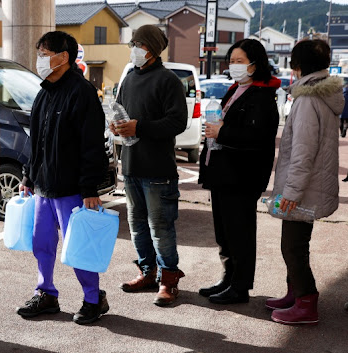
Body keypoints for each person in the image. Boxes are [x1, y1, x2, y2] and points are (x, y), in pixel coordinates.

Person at [16, 30, 109, 325]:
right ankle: (46, 294)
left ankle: (93, 299)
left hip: (72, 189)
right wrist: (28, 177)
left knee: (78, 246)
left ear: (63, 57)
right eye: (40, 54)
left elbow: (92, 145)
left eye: (45, 54)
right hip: (43, 187)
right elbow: (35, 143)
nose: (40, 60)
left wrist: (89, 188)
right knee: (41, 243)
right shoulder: (43, 93)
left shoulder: (83, 94)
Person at [266, 39, 343, 325]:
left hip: (303, 188)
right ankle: (295, 294)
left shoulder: (308, 98)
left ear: (298, 66)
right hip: (313, 186)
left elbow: (303, 151)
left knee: (292, 246)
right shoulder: (323, 94)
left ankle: (306, 302)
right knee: (297, 244)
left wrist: (292, 192)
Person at [198, 39, 280, 305]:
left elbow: (256, 137)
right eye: (231, 61)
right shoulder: (237, 89)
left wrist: (222, 131)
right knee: (224, 232)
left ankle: (240, 286)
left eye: (239, 61)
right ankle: (229, 278)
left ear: (255, 65)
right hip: (223, 173)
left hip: (241, 176)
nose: (233, 66)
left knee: (240, 232)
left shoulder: (262, 96)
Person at [111, 25, 188, 306]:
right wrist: (117, 125)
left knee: (161, 226)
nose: (134, 48)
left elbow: (179, 122)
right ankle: (147, 272)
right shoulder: (129, 77)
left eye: (139, 44)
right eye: (133, 43)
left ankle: (168, 281)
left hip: (158, 169)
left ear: (152, 49)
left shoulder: (169, 81)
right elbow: (119, 109)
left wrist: (139, 126)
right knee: (137, 225)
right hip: (131, 165)